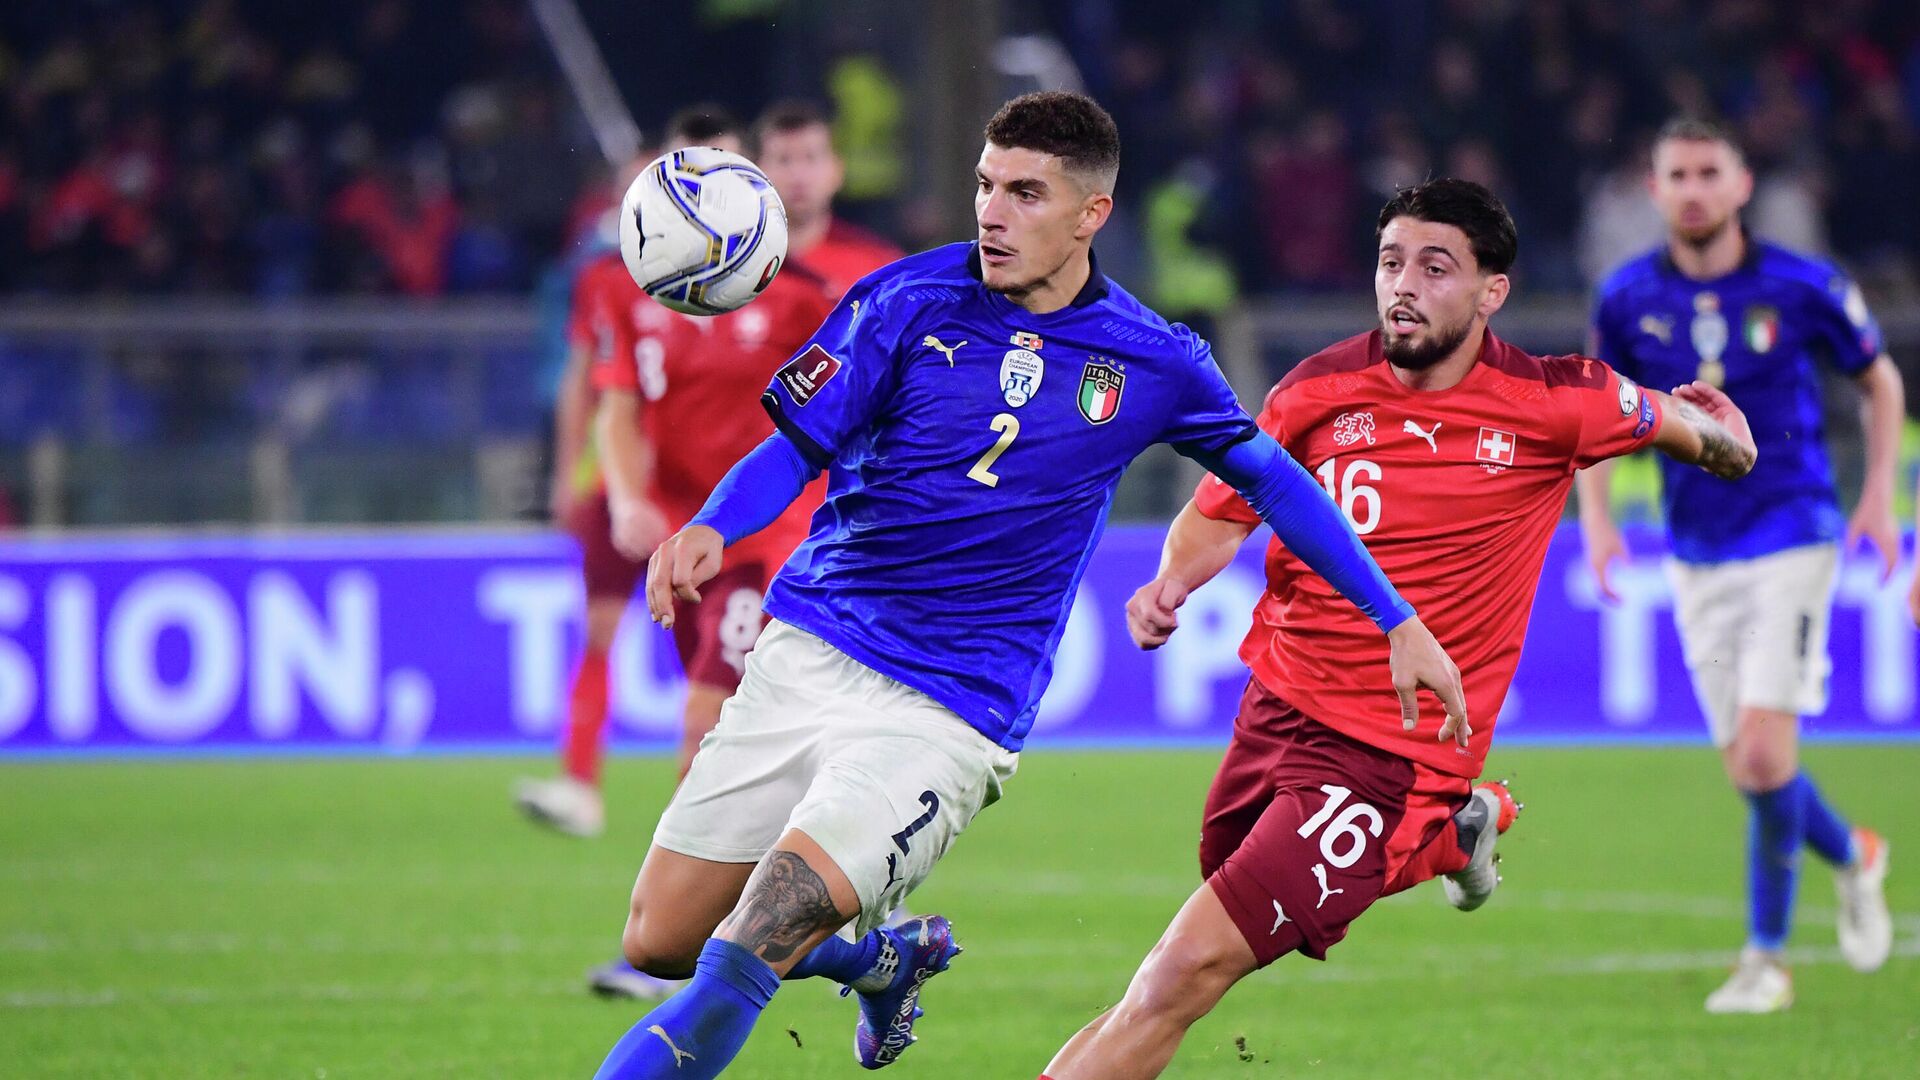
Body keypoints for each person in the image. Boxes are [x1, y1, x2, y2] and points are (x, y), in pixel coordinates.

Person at [589, 91, 1468, 1080]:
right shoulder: (902, 301)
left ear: (1090, 213)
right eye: (983, 185)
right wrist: (713, 523)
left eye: (1024, 193)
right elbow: (793, 449)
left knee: (749, 943)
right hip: (811, 651)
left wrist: (1395, 616)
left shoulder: (1155, 360)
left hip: (945, 711)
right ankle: (883, 960)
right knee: (659, 941)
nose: (991, 213)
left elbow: (1270, 477)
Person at [1039, 178, 1760, 1080]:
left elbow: (1686, 427)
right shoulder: (1317, 390)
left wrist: (1728, 439)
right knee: (1182, 962)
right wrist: (1168, 584)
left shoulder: (1554, 400)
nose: (1403, 286)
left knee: (1177, 975)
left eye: (1435, 266)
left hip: (1391, 752)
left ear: (1492, 291)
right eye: (1390, 263)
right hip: (1277, 713)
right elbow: (1221, 509)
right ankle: (1454, 835)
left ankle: (1443, 817)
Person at [1578, 117, 1899, 1014]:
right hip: (1695, 548)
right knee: (1752, 771)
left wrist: (1878, 496)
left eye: (1708, 173)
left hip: (1794, 529)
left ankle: (1766, 960)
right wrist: (1596, 520)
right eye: (1676, 174)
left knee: (1763, 756)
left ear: (1741, 184)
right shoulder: (1626, 295)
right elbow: (1601, 413)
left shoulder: (1803, 285)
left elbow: (1878, 378)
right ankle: (1854, 854)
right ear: (1655, 189)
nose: (1692, 189)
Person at [512, 106, 753, 838]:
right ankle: (581, 782)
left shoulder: (778, 281)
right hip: (639, 490)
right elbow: (592, 388)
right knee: (601, 626)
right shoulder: (615, 280)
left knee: (717, 669)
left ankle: (730, 821)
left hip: (737, 511)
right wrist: (582, 479)